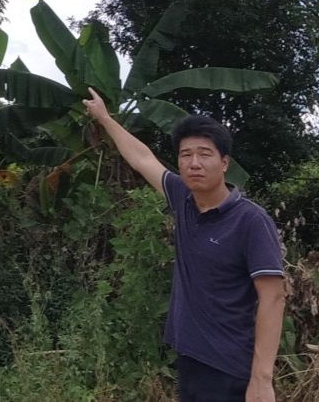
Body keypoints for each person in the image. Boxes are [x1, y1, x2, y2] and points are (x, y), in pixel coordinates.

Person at [83, 88, 286, 402]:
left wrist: (262, 379)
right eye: (185, 155)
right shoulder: (183, 198)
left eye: (205, 154)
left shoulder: (250, 221)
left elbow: (273, 298)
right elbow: (141, 158)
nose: (194, 163)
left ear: (224, 162)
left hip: (228, 365)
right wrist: (106, 118)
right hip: (191, 355)